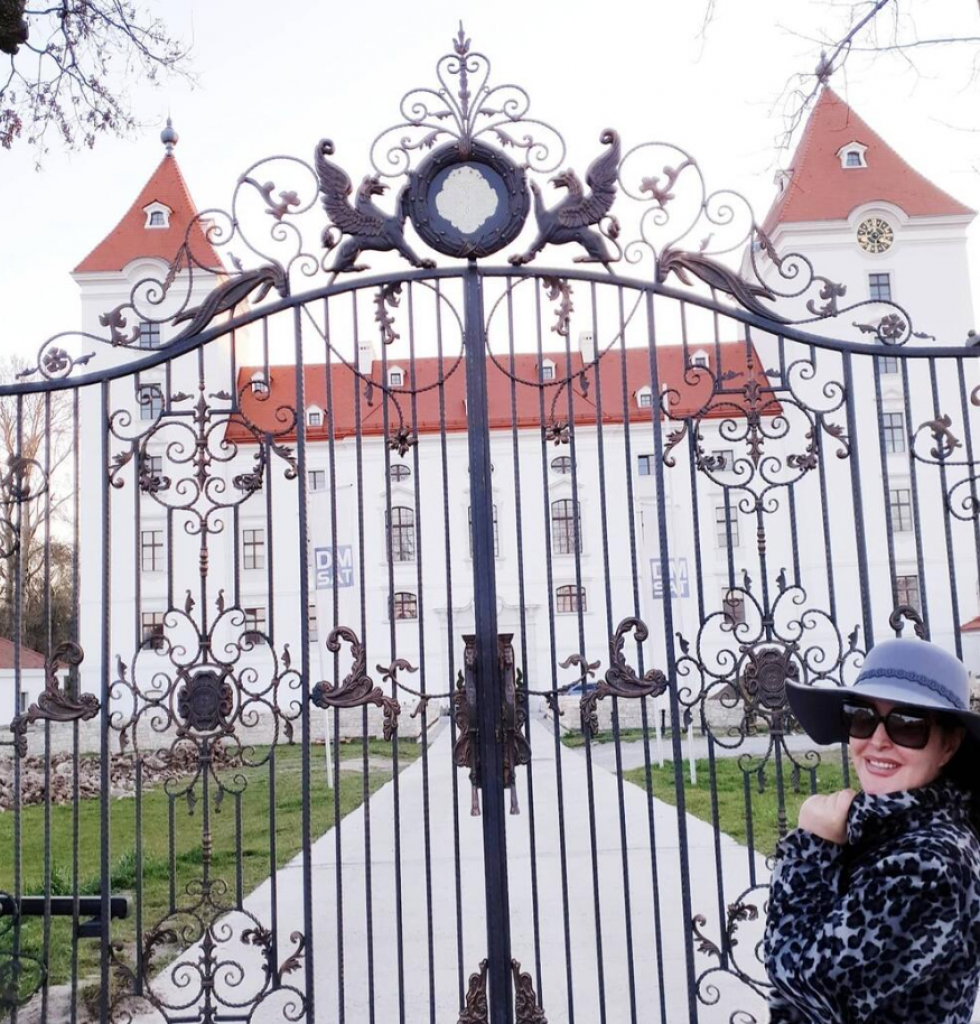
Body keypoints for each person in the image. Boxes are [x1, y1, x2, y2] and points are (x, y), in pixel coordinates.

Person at [763, 637, 980, 1023]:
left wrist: (809, 849)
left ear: (949, 745)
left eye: (908, 725)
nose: (878, 741)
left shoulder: (930, 864)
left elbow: (801, 976)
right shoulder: (887, 831)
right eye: (861, 717)